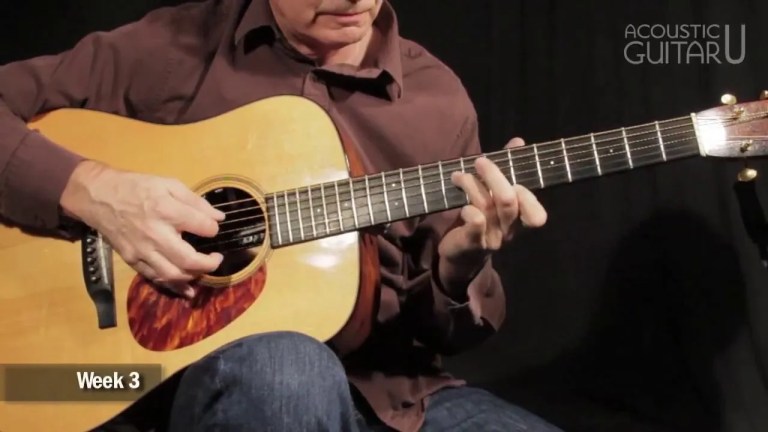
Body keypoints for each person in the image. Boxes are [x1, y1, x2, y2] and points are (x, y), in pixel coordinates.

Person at [0, 0, 560, 431]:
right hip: (171, 388)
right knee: (286, 365)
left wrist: (459, 266)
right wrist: (93, 189)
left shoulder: (435, 100)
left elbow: (441, 329)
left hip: (393, 398)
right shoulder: (173, 51)